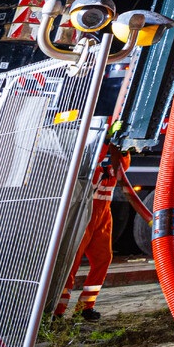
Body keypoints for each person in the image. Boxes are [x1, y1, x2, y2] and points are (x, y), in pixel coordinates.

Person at [55, 126, 148, 319]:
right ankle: (58, 309)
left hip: (103, 216)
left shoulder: (113, 166)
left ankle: (86, 307)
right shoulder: (89, 162)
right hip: (83, 214)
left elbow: (122, 166)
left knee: (103, 259)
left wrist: (123, 146)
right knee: (71, 262)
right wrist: (106, 140)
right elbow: (93, 158)